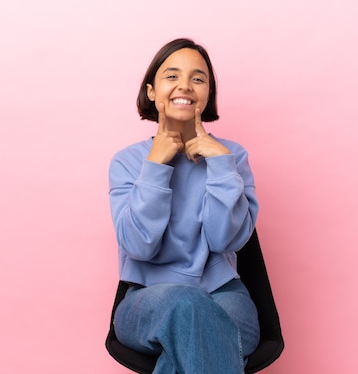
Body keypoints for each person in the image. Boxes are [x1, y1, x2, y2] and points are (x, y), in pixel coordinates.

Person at [108, 38, 260, 373]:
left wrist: (220, 163)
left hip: (225, 297)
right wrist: (156, 167)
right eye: (172, 76)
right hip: (148, 300)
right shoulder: (128, 162)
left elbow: (225, 241)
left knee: (192, 340)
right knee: (189, 309)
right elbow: (139, 246)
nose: (185, 86)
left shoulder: (231, 156)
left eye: (198, 78)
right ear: (151, 91)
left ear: (208, 94)